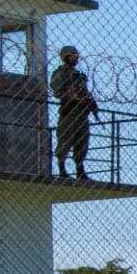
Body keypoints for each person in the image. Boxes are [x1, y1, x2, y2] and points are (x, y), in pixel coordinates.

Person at [50, 45, 97, 179]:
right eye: (73, 56)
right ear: (66, 57)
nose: (76, 58)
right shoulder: (60, 74)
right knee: (65, 140)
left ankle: (80, 170)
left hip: (82, 113)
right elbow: (57, 90)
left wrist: (93, 105)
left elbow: (86, 93)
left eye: (77, 56)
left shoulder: (79, 75)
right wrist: (71, 90)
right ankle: (62, 169)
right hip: (69, 112)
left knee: (82, 143)